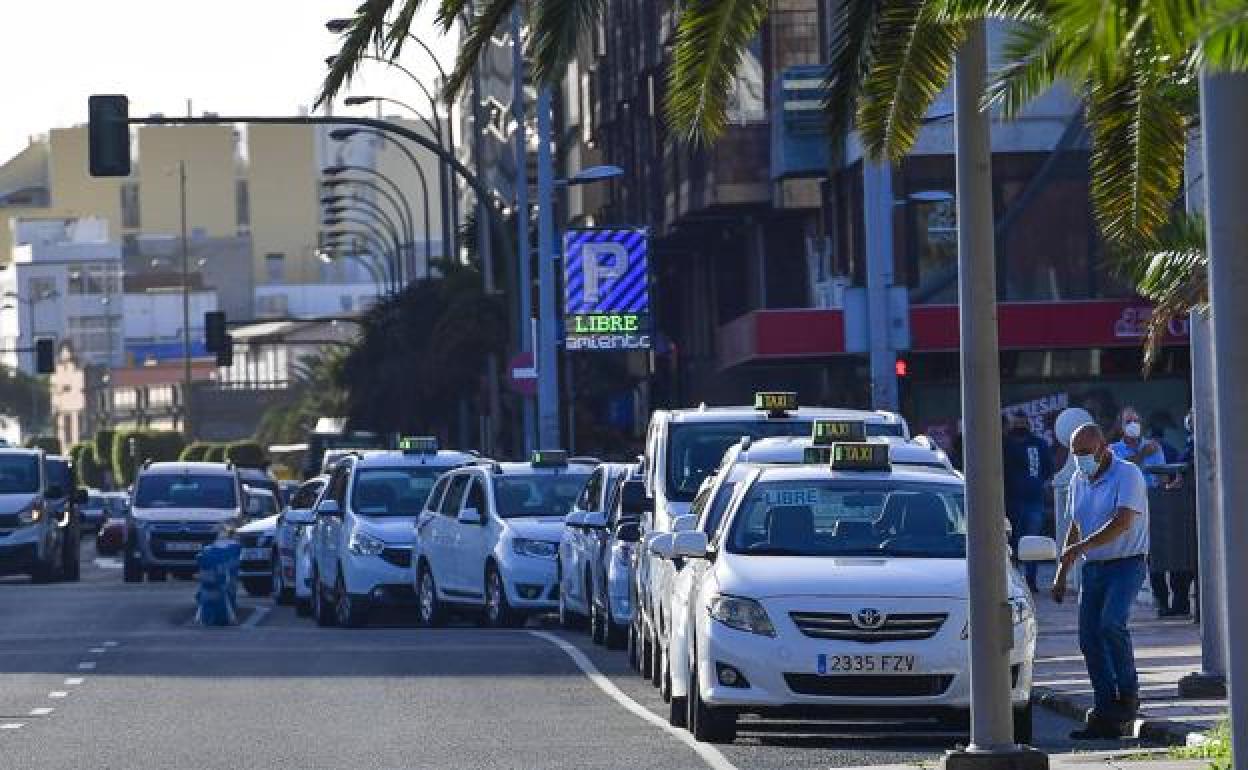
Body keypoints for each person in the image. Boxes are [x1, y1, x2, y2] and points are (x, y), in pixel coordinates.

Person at [1053, 422, 1150, 740]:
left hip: (1126, 563)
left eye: (1086, 452)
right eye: (1075, 453)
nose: (1081, 458)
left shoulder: (1127, 474)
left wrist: (1080, 547)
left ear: (1103, 448)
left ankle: (1129, 694)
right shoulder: (1078, 479)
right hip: (1093, 569)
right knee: (1089, 639)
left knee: (1111, 623)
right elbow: (1075, 526)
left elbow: (1122, 522)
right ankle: (1105, 707)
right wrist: (1061, 574)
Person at [1112, 407, 1187, 617]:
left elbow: (1163, 479)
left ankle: (1178, 602)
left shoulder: (1155, 447)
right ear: (1120, 425)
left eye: (1136, 420)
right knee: (1150, 559)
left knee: (1167, 554)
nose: (1133, 424)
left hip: (1158, 506)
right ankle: (1161, 600)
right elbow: (1121, 473)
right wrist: (1143, 455)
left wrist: (1169, 479)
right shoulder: (1113, 450)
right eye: (1128, 421)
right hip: (1131, 509)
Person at [1003, 411, 1054, 592]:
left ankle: (1031, 580)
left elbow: (1048, 469)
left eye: (1023, 423)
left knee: (1032, 542)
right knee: (1012, 542)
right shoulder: (1004, 445)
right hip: (1010, 501)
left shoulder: (1038, 444)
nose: (1019, 427)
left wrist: (1041, 485)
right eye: (1016, 423)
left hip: (1034, 500)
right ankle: (1015, 582)